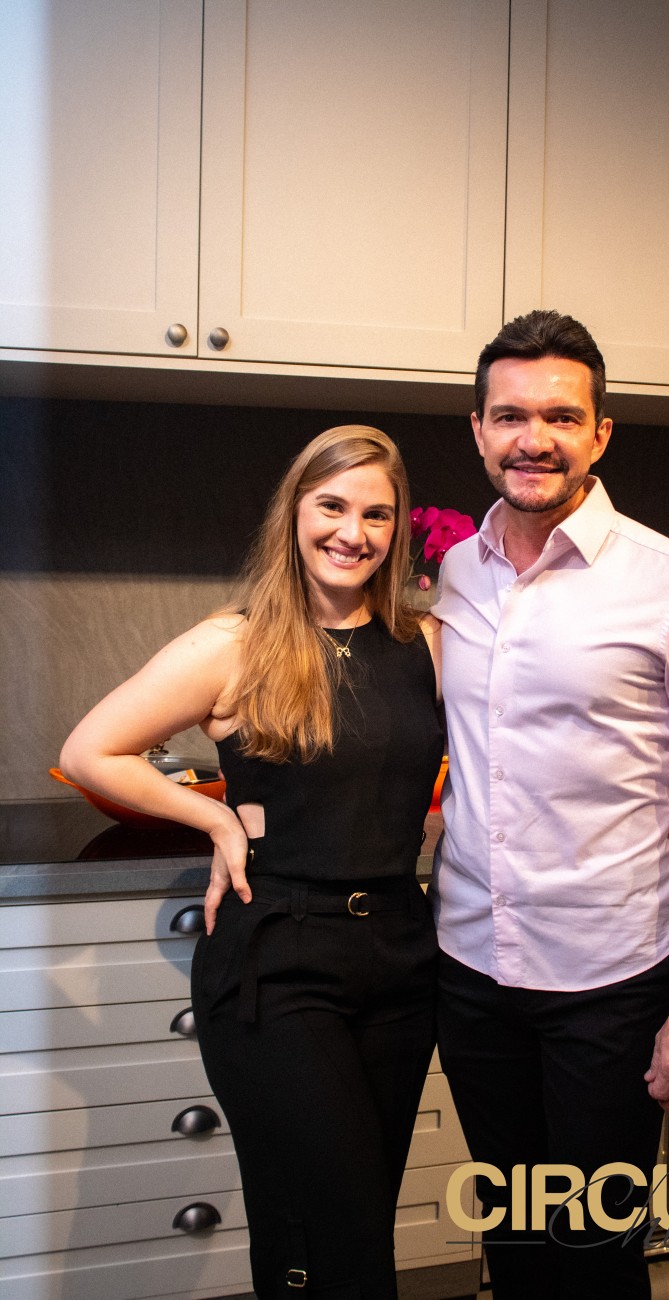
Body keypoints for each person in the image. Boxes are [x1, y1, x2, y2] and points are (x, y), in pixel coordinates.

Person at [430, 311, 669, 1298]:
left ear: (600, 432)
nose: (531, 438)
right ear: (478, 429)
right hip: (472, 969)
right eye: (509, 416)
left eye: (559, 416)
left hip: (611, 980)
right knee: (510, 1241)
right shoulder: (457, 572)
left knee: (593, 1254)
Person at [60, 426, 446, 1299]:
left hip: (400, 953)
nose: (353, 532)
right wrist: (213, 819)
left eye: (377, 514)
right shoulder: (234, 644)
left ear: (398, 528)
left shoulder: (426, 643)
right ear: (295, 513)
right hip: (276, 958)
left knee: (322, 1222)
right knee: (345, 1235)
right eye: (332, 506)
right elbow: (91, 751)